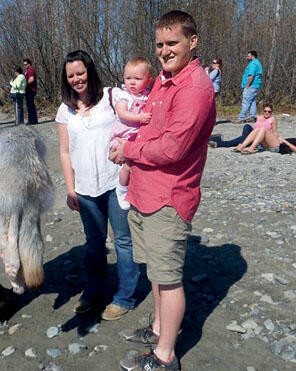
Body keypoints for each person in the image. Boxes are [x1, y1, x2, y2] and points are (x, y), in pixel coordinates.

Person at [110, 11, 215, 370]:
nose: (165, 51)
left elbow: (172, 149)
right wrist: (126, 149)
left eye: (172, 43)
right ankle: (158, 329)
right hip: (145, 192)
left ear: (192, 41)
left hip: (169, 199)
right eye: (160, 44)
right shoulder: (163, 82)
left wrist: (127, 151)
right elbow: (149, 129)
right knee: (156, 271)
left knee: (168, 279)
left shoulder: (195, 88)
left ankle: (166, 355)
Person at [56, 50, 139, 322]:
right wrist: (70, 189)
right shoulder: (64, 110)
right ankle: (93, 293)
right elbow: (65, 151)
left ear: (90, 71)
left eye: (80, 73)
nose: (77, 79)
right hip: (85, 188)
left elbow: (138, 113)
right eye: (71, 75)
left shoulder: (112, 96)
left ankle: (124, 297)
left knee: (123, 241)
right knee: (94, 244)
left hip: (115, 181)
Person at [110, 57, 153, 210]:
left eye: (137, 78)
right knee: (128, 166)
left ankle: (135, 190)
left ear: (148, 80)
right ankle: (121, 190)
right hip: (123, 135)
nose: (132, 82)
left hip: (137, 138)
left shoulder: (148, 96)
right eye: (128, 78)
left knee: (138, 166)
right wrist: (139, 118)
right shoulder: (124, 95)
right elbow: (121, 113)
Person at [237, 50, 263, 122]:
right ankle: (252, 116)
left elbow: (251, 75)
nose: (247, 57)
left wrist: (247, 85)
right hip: (255, 86)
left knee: (246, 101)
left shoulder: (253, 64)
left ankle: (241, 117)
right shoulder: (257, 63)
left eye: (248, 56)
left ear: (252, 56)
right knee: (252, 101)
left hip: (251, 85)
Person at [23, 58, 38, 125]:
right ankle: (32, 120)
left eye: (25, 64)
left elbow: (31, 79)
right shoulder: (28, 70)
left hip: (31, 90)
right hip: (28, 90)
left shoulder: (31, 69)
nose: (25, 66)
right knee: (30, 105)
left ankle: (32, 120)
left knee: (30, 105)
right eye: (24, 65)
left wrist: (25, 84)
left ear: (29, 64)